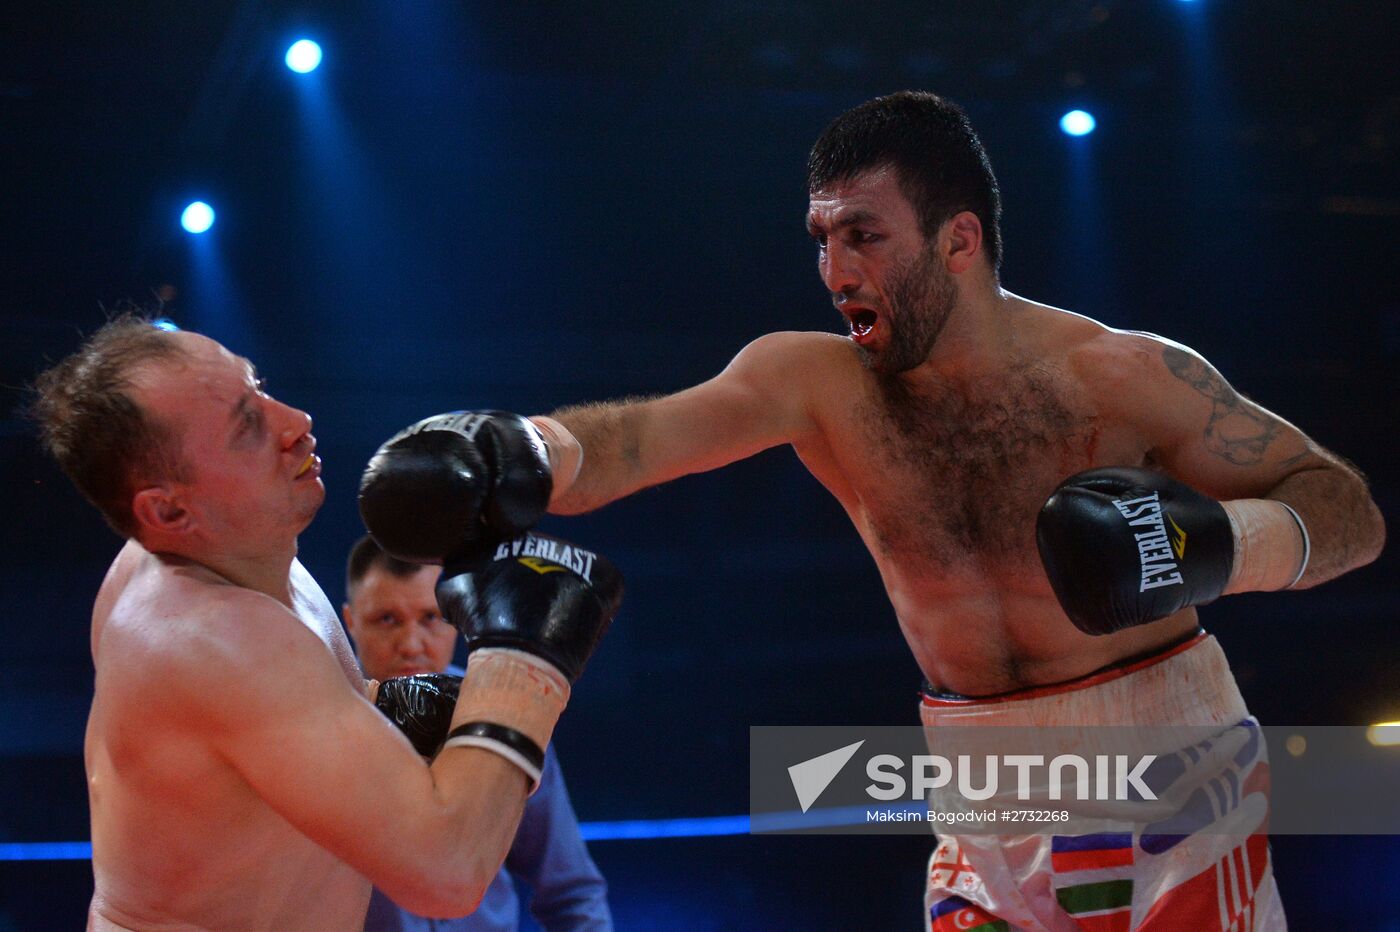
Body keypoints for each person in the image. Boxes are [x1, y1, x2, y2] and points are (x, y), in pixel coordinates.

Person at [358, 91, 1385, 930]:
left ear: (957, 241)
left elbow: (1342, 508)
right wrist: (512, 450)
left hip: (1166, 760)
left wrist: (1214, 546)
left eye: (863, 235)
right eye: (819, 238)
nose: (835, 272)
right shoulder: (816, 382)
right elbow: (646, 435)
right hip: (980, 787)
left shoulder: (1121, 376)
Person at [30, 316, 621, 931]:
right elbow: (449, 874)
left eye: (258, 388)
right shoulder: (216, 638)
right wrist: (521, 659)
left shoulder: (237, 563)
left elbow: (251, 735)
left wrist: (386, 704)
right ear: (170, 509)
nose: (294, 421)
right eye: (246, 425)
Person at [342, 534, 613, 931]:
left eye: (430, 617)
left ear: (458, 616)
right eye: (387, 619)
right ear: (350, 621)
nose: (411, 643)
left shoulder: (507, 706)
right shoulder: (316, 720)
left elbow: (571, 890)